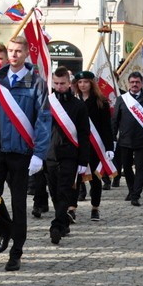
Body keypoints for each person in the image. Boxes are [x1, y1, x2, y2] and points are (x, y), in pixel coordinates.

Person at [0, 35, 51, 271]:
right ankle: (4, 230)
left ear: (25, 55)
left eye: (18, 51)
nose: (13, 55)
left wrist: (39, 154)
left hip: (22, 153)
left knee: (19, 204)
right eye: (10, 50)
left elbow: (44, 119)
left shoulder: (37, 82)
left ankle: (16, 250)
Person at [44, 67, 89, 244]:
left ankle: (56, 225)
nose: (59, 86)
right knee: (54, 193)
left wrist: (83, 160)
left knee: (64, 191)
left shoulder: (79, 106)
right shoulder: (47, 102)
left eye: (62, 83)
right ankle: (63, 223)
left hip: (70, 155)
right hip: (50, 154)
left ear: (69, 83)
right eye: (56, 83)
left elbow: (85, 134)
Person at [111, 71, 143, 206]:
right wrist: (113, 139)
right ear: (128, 83)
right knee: (126, 169)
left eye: (137, 82)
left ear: (142, 83)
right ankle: (131, 190)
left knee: (140, 168)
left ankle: (136, 195)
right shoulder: (122, 99)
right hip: (125, 140)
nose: (134, 84)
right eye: (132, 82)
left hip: (142, 140)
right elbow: (115, 120)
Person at [74, 71, 113, 220]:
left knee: (95, 178)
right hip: (77, 144)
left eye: (86, 82)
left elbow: (106, 127)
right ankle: (72, 207)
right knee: (76, 177)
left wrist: (109, 147)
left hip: (95, 145)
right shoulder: (73, 100)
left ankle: (95, 207)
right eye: (80, 82)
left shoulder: (100, 102)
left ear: (92, 83)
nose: (83, 85)